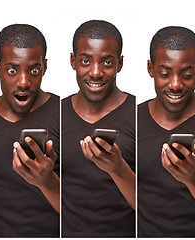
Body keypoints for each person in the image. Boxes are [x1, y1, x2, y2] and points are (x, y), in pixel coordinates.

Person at [61, 20, 135, 237]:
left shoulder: (141, 115)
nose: (95, 72)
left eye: (107, 62)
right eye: (85, 61)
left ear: (120, 64)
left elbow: (157, 204)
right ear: (73, 61)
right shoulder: (55, 113)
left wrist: (118, 168)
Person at [0, 23, 60, 237]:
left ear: (44, 67)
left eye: (34, 70)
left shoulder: (66, 114)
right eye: (12, 70)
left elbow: (85, 210)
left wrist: (47, 182)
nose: (24, 82)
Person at [137, 26, 195, 237]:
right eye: (164, 74)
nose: (176, 85)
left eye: (187, 74)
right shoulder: (132, 119)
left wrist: (194, 178)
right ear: (150, 69)